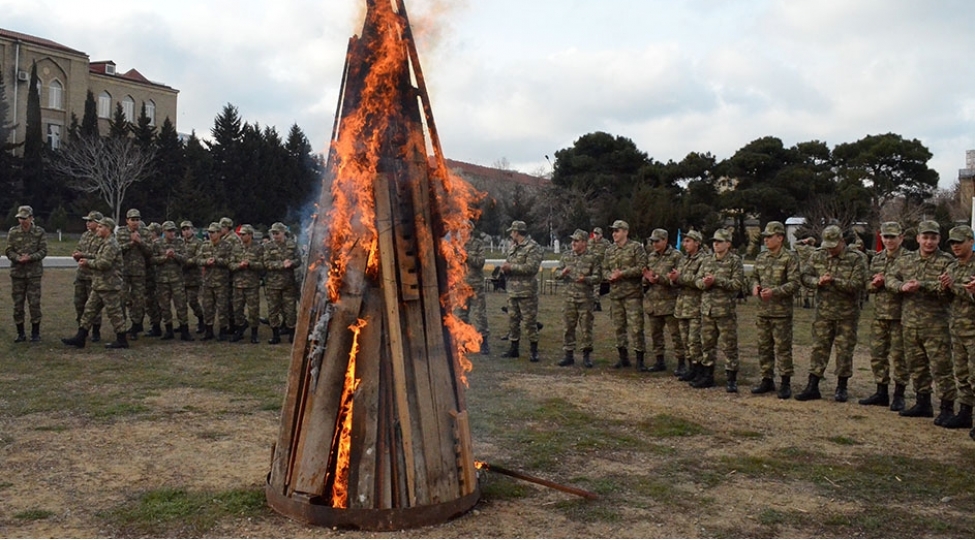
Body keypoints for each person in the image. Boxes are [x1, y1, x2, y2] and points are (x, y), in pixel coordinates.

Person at [887, 220, 954, 422]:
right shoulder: (907, 260)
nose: (929, 242)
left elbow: (947, 286)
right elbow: (890, 277)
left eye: (933, 238)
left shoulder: (947, 261)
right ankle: (922, 402)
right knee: (917, 366)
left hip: (936, 324)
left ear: (939, 239)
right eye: (925, 237)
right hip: (910, 323)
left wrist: (922, 285)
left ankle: (947, 407)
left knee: (941, 367)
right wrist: (901, 287)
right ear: (917, 239)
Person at [797, 225, 867, 402]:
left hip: (847, 314)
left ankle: (841, 386)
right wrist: (817, 282)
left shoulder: (856, 258)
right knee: (819, 348)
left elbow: (858, 284)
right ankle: (812, 385)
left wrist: (834, 281)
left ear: (842, 241)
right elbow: (804, 276)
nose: (830, 249)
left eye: (833, 245)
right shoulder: (818, 255)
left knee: (844, 351)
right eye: (827, 245)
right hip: (824, 313)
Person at [860, 222, 910, 410]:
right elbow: (867, 284)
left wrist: (890, 282)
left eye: (892, 237)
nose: (888, 240)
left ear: (901, 237)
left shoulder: (909, 258)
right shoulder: (877, 258)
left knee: (899, 356)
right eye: (885, 237)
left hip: (900, 315)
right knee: (878, 354)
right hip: (880, 313)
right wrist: (875, 284)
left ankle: (899, 394)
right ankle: (881, 391)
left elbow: (911, 284)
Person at [750, 221, 801, 399]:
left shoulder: (790, 258)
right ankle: (767, 379)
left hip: (781, 313)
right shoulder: (761, 257)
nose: (766, 240)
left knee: (783, 348)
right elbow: (755, 277)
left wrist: (774, 292)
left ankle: (785, 382)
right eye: (765, 237)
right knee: (764, 347)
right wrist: (755, 287)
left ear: (780, 238)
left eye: (769, 237)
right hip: (763, 311)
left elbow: (795, 283)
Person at [62, 217, 129, 349]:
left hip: (109, 285)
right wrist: (84, 256)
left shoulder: (111, 244)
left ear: (108, 229)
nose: (97, 229)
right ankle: (80, 337)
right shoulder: (105, 243)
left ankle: (122, 340)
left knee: (114, 313)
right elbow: (99, 257)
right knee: (89, 311)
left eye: (100, 227)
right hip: (100, 284)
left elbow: (105, 263)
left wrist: (87, 263)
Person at [693, 229, 745, 391]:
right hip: (707, 310)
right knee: (707, 344)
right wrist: (705, 284)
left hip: (725, 312)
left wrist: (717, 281)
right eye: (714, 241)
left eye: (719, 241)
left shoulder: (734, 262)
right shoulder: (707, 260)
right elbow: (697, 281)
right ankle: (708, 375)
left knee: (729, 346)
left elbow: (737, 284)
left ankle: (731, 379)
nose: (715, 244)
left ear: (728, 244)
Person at [941, 225, 975, 431]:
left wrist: (959, 288)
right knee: (961, 373)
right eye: (952, 243)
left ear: (971, 241)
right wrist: (944, 286)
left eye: (959, 242)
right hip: (957, 328)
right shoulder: (952, 267)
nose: (955, 246)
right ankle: (965, 412)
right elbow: (946, 298)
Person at [603, 220, 647, 370]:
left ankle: (640, 359)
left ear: (626, 232)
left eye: (617, 230)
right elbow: (605, 269)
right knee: (619, 327)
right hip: (616, 295)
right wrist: (609, 275)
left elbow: (642, 268)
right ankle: (623, 358)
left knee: (636, 328)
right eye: (613, 231)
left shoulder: (636, 248)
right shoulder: (610, 250)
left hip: (632, 294)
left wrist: (622, 273)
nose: (614, 233)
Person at [500, 220, 543, 362]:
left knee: (530, 322)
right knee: (513, 321)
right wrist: (504, 270)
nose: (511, 234)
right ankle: (514, 349)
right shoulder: (513, 248)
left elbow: (532, 267)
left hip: (526, 292)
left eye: (512, 232)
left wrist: (511, 267)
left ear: (516, 232)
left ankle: (534, 350)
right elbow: (509, 263)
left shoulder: (533, 247)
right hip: (513, 290)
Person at [642, 228, 684, 373]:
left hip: (670, 302)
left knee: (676, 334)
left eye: (657, 241)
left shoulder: (676, 256)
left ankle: (681, 362)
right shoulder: (651, 256)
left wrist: (660, 279)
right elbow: (646, 275)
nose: (654, 244)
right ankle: (659, 360)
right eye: (652, 241)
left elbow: (678, 279)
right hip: (653, 302)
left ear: (665, 240)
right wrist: (646, 279)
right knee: (656, 334)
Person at [556, 229, 599, 368]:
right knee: (568, 327)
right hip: (569, 298)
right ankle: (568, 355)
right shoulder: (566, 256)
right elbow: (556, 274)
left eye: (576, 241)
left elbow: (598, 277)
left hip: (585, 298)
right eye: (572, 240)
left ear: (584, 243)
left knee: (586, 327)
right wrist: (563, 273)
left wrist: (585, 279)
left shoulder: (593, 257)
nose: (573, 243)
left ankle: (586, 356)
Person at [5, 205, 47, 342]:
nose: (22, 221)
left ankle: (35, 333)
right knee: (18, 304)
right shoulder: (13, 232)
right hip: (18, 273)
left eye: (25, 218)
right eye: (20, 218)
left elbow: (43, 251)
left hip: (34, 274)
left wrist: (30, 257)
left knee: (34, 303)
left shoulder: (39, 232)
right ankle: (20, 333)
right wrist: (17, 258)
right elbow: (8, 250)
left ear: (31, 218)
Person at [670, 230, 705, 381]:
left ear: (697, 243)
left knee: (695, 341)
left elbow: (700, 280)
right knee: (685, 340)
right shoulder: (683, 259)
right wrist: (673, 279)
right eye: (684, 241)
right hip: (682, 306)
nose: (685, 244)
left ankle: (699, 369)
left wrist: (680, 278)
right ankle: (691, 368)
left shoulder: (704, 259)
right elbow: (678, 279)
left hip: (695, 306)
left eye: (688, 241)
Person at [152, 221, 193, 341]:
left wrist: (174, 255)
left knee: (181, 305)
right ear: (164, 232)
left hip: (177, 280)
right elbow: (152, 259)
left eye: (173, 231)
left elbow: (185, 259)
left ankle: (184, 330)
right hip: (162, 280)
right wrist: (165, 257)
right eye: (169, 231)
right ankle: (168, 330)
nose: (172, 233)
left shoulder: (180, 242)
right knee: (164, 306)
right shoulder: (157, 243)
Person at [116, 208, 152, 339]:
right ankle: (121, 326)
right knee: (122, 298)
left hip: (139, 272)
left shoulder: (145, 233)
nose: (135, 222)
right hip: (123, 271)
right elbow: (117, 249)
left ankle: (136, 326)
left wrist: (140, 242)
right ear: (127, 221)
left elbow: (150, 251)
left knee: (138, 300)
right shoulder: (121, 232)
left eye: (137, 220)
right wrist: (131, 243)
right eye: (133, 220)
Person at [263, 222, 301, 344]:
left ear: (283, 232)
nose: (275, 236)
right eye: (273, 233)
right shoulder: (268, 246)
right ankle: (275, 335)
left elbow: (298, 260)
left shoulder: (292, 245)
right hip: (273, 284)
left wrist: (292, 263)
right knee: (273, 310)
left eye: (277, 233)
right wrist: (281, 265)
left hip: (288, 284)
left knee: (290, 310)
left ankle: (291, 334)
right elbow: (266, 263)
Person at [458, 221, 490, 355]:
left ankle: (484, 342)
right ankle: (464, 342)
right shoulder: (457, 245)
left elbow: (480, 262)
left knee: (480, 315)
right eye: (461, 228)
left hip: (475, 285)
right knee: (462, 315)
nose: (462, 231)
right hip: (462, 285)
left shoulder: (478, 244)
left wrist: (467, 256)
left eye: (465, 228)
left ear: (470, 230)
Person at [197, 222, 232, 341]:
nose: (211, 234)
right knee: (207, 307)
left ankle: (223, 331)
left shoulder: (226, 246)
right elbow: (198, 259)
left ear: (219, 233)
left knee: (222, 308)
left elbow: (229, 261)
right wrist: (206, 262)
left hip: (221, 282)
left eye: (213, 232)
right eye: (209, 232)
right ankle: (208, 331)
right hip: (207, 282)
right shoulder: (205, 245)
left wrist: (217, 260)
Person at [230, 224, 265, 344]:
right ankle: (239, 330)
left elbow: (262, 265)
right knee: (237, 309)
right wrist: (239, 265)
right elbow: (230, 264)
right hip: (238, 284)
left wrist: (250, 264)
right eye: (240, 234)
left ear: (250, 235)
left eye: (243, 234)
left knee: (253, 310)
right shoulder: (236, 248)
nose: (241, 236)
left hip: (252, 284)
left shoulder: (258, 248)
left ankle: (254, 334)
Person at [73, 211, 104, 342]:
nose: (87, 223)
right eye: (87, 221)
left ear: (97, 223)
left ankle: (96, 331)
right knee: (79, 303)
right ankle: (82, 330)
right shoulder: (85, 236)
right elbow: (78, 249)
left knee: (94, 306)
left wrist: (83, 255)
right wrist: (76, 255)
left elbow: (101, 256)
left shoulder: (103, 237)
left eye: (90, 221)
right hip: (81, 275)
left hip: (93, 276)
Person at [180, 221, 206, 333]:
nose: (186, 231)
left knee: (192, 301)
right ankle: (183, 323)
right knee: (180, 303)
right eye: (184, 229)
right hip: (181, 278)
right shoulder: (180, 243)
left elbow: (198, 258)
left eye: (188, 229)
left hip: (193, 278)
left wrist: (184, 262)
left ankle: (201, 319)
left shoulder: (198, 242)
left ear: (192, 229)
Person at [144, 222, 163, 337]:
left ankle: (156, 326)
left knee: (151, 301)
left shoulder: (155, 244)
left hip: (152, 277)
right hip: (153, 277)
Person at [588, 227, 611, 311]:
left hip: (600, 266)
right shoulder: (590, 242)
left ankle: (596, 303)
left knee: (596, 285)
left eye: (597, 234)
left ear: (601, 235)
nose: (595, 235)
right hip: (590, 266)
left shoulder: (605, 243)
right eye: (594, 233)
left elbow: (610, 253)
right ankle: (594, 302)